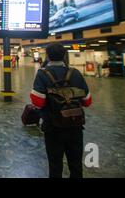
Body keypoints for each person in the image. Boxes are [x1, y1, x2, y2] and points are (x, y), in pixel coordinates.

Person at [30, 43, 92, 178]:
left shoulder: (42, 74)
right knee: (76, 166)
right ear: (65, 56)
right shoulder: (75, 73)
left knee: (55, 165)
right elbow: (87, 101)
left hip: (53, 128)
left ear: (47, 56)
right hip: (75, 125)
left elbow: (38, 102)